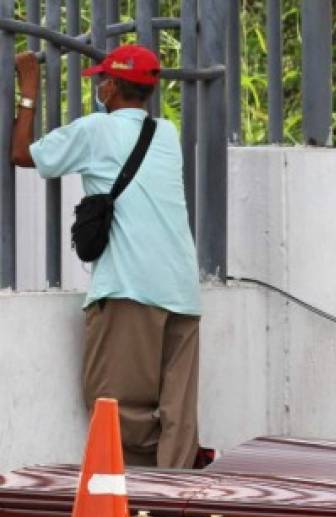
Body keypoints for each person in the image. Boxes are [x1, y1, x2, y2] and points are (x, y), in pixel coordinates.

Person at [11, 45, 202, 469]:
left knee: (114, 403)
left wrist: (28, 92)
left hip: (130, 285)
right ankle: (173, 500)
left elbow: (22, 155)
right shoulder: (166, 134)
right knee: (178, 413)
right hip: (183, 288)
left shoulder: (98, 130)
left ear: (112, 86)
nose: (99, 86)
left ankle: (140, 502)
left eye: (102, 79)